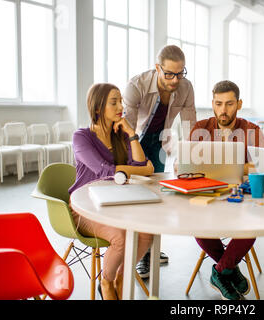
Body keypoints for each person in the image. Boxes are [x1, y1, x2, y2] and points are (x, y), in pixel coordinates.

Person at [68, 83, 155, 300]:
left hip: (116, 201)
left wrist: (132, 134)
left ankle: (121, 276)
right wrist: (142, 169)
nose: (120, 107)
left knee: (146, 233)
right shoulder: (81, 136)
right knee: (120, 237)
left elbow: (139, 161)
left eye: (121, 101)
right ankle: (105, 282)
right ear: (98, 108)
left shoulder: (121, 135)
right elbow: (103, 170)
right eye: (114, 102)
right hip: (86, 207)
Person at [189, 80, 264, 300]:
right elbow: (189, 165)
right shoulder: (200, 128)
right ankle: (229, 269)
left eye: (229, 103)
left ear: (239, 104)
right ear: (213, 103)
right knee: (198, 227)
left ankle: (220, 272)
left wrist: (230, 165)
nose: (223, 109)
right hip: (208, 195)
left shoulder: (252, 130)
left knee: (252, 226)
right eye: (219, 103)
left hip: (241, 199)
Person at [123, 44, 197, 277]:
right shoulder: (136, 85)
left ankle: (149, 249)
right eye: (169, 74)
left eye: (180, 73)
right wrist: (129, 157)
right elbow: (127, 128)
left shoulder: (185, 88)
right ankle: (137, 252)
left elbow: (190, 128)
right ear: (157, 68)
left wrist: (188, 159)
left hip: (160, 141)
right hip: (134, 139)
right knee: (136, 195)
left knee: (156, 196)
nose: (175, 80)